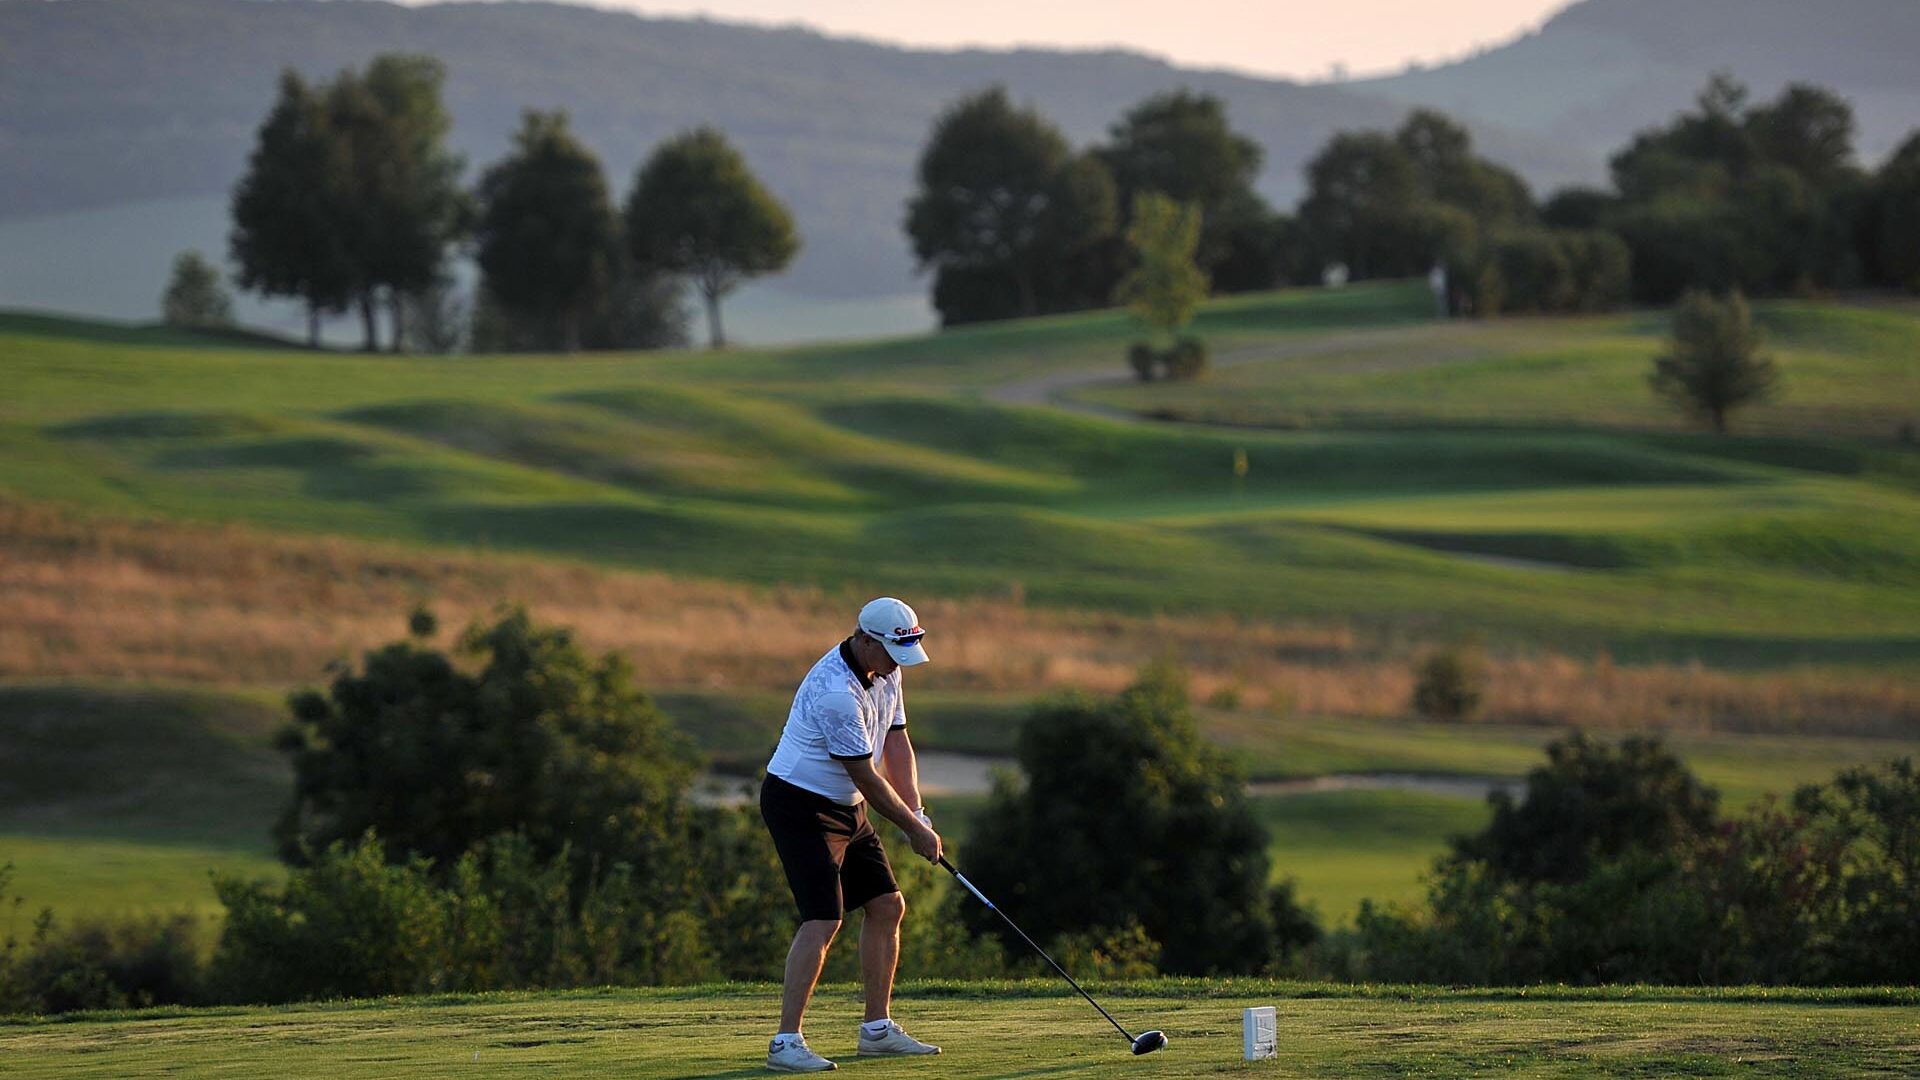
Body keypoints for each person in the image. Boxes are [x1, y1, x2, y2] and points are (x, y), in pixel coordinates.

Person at [759, 597, 945, 1073]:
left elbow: (896, 742)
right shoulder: (835, 692)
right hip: (800, 804)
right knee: (824, 918)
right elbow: (866, 775)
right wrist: (911, 830)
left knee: (887, 906)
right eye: (889, 655)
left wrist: (918, 814)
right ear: (864, 640)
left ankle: (877, 1030)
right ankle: (785, 1043)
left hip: (846, 805)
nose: (895, 666)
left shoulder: (887, 666)